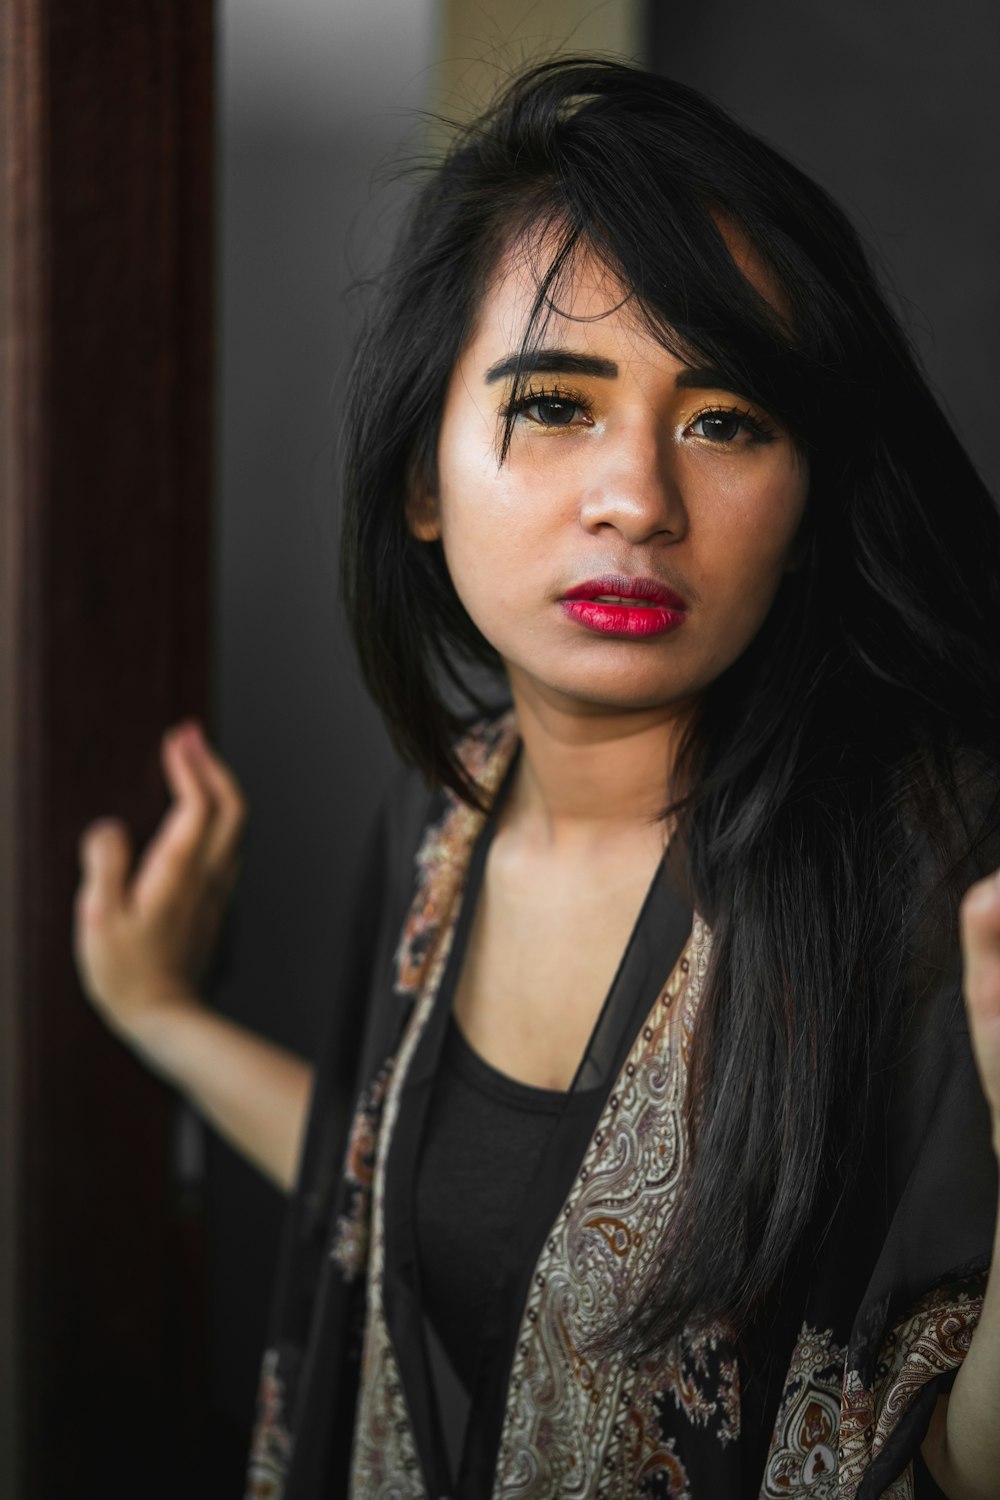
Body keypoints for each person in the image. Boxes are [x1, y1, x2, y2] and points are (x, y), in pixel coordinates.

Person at [72, 57, 1000, 1500]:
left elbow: (948, 1462)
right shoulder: (448, 816)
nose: (637, 494)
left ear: (810, 508)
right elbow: (388, 1189)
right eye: (556, 403)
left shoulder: (924, 877)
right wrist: (163, 1019)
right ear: (423, 483)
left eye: (727, 421)